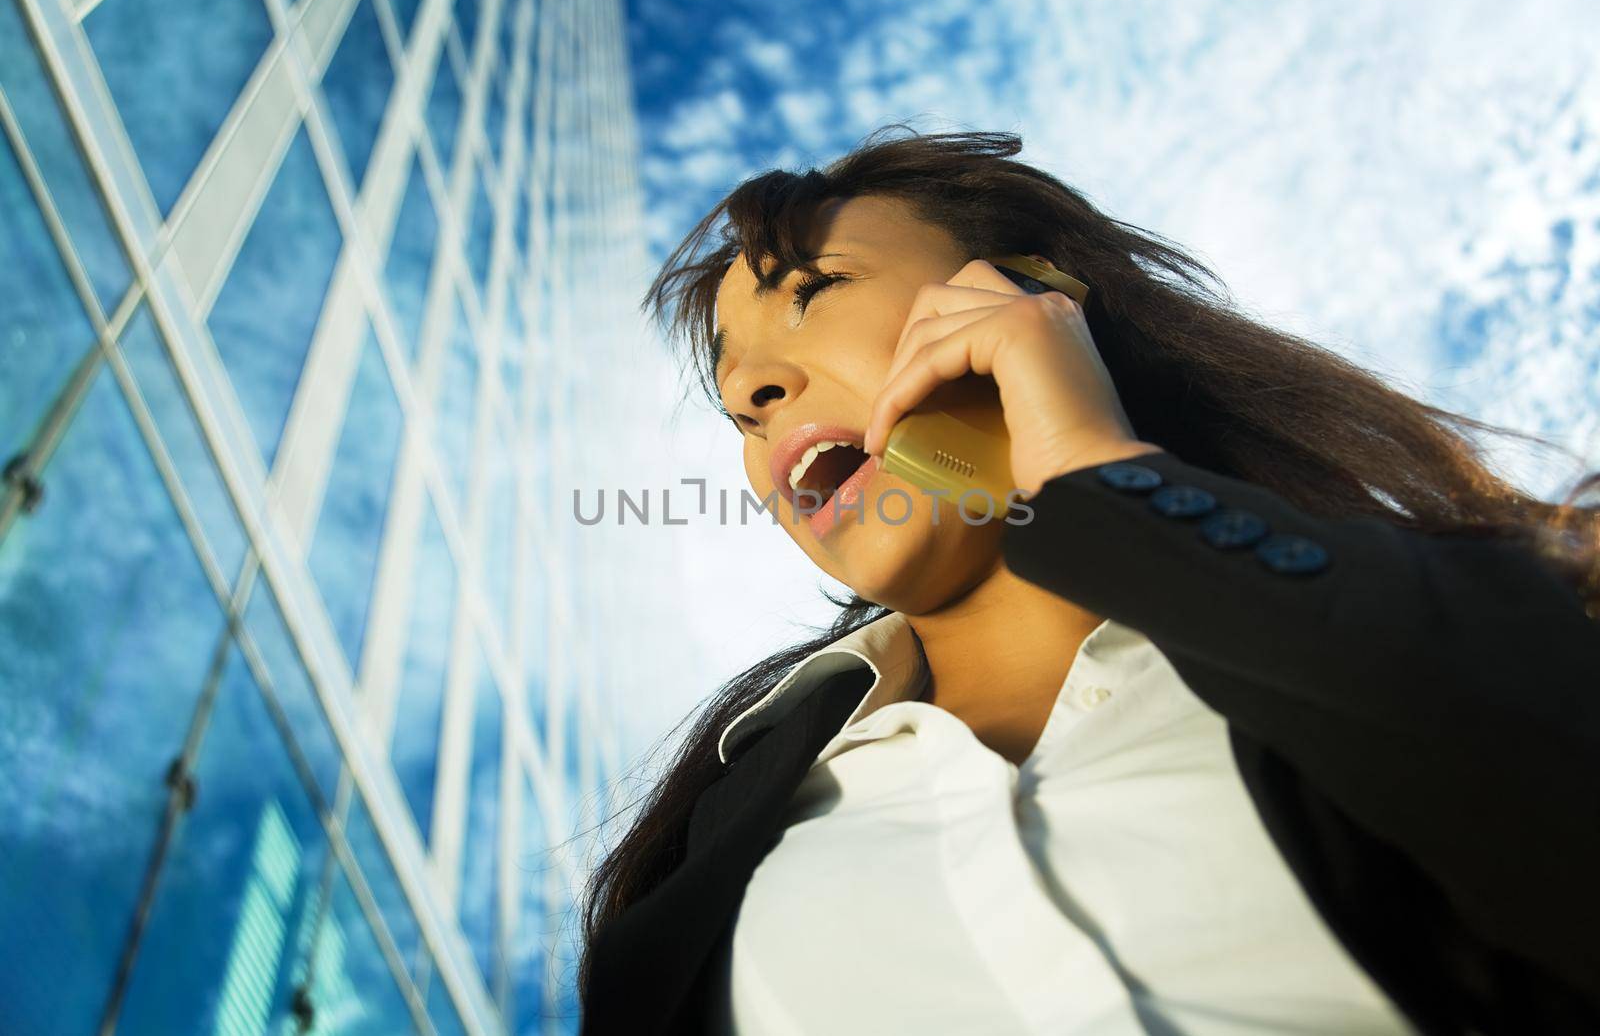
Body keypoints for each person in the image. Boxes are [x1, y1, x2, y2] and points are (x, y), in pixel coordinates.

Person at [574, 126, 1600, 1035]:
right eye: (733, 401)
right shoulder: (710, 846)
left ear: (1035, 300)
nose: (752, 398)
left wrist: (1091, 471)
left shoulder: (1404, 625)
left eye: (814, 293)